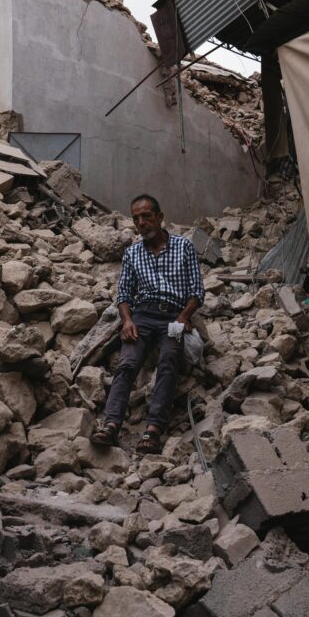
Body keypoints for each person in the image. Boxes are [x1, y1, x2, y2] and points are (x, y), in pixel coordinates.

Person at [90, 194, 205, 454]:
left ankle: (153, 430)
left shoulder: (183, 247)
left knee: (168, 361)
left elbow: (197, 292)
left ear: (160, 217)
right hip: (142, 315)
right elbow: (124, 295)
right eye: (136, 218)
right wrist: (127, 320)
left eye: (146, 216)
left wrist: (184, 317)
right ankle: (111, 425)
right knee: (127, 364)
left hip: (173, 316)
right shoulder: (132, 253)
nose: (141, 223)